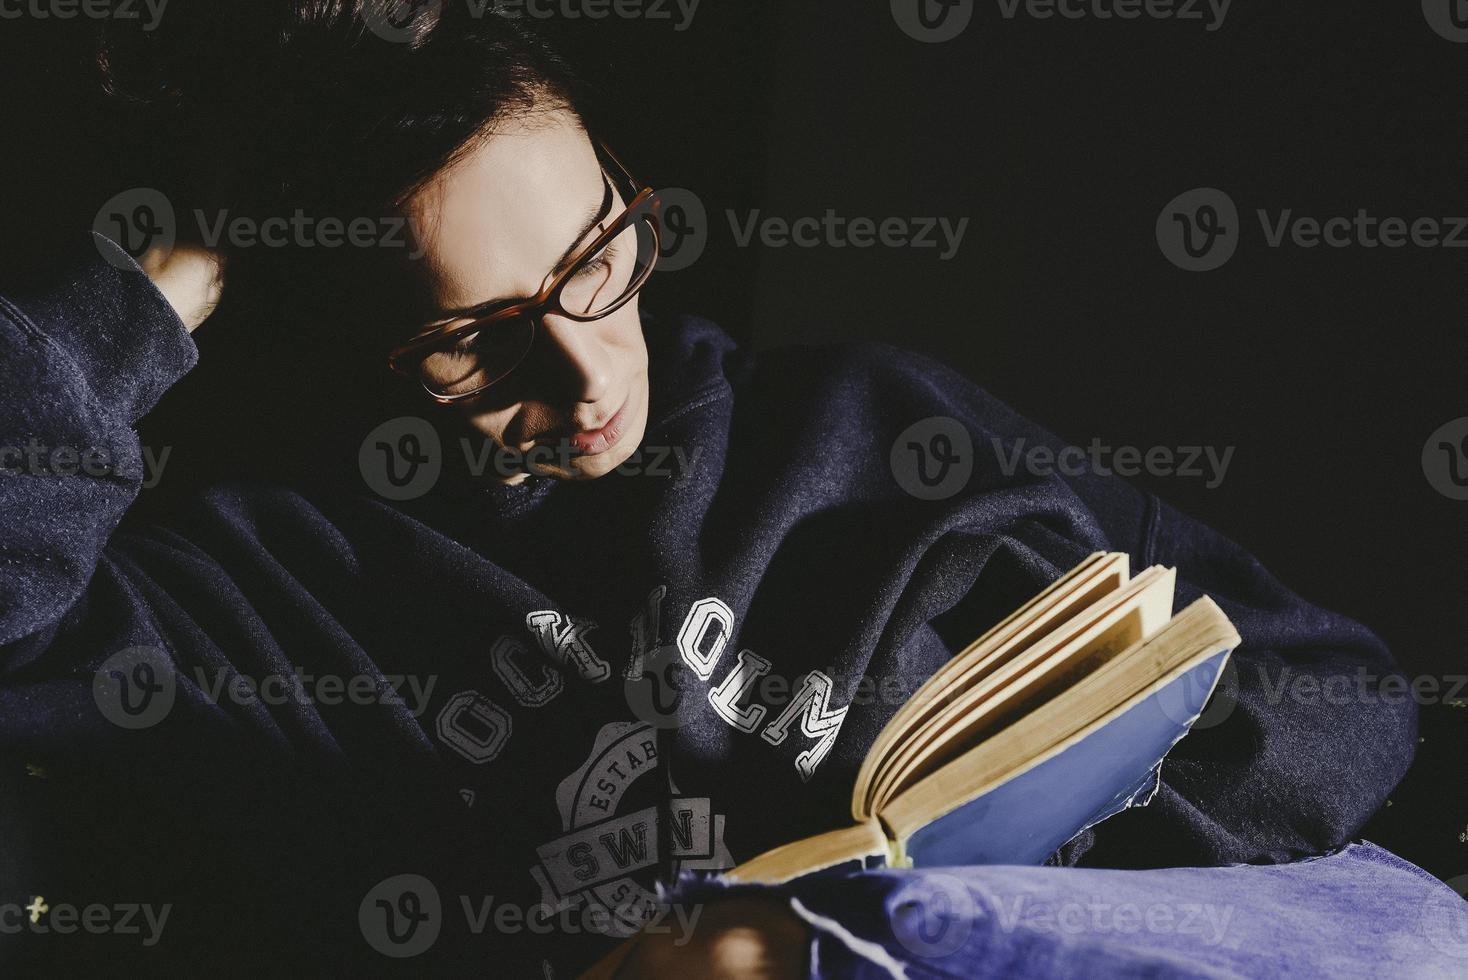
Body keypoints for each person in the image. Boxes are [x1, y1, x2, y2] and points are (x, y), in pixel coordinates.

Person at [0, 4, 1455, 976]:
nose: (583, 376)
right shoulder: (274, 584)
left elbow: (1339, 696)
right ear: (354, 345)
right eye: (473, 343)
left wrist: (918, 903)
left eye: (597, 260)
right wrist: (160, 280)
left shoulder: (874, 424)